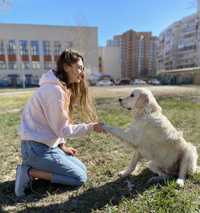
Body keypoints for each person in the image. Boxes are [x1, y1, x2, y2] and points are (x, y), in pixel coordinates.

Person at [15, 49, 104, 197]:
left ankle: (37, 168)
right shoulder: (54, 91)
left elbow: (55, 125)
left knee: (82, 169)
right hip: (36, 150)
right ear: (67, 66)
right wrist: (91, 127)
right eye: (80, 67)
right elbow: (63, 129)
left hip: (46, 147)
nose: (82, 73)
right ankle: (28, 172)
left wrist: (62, 146)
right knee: (79, 178)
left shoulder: (59, 88)